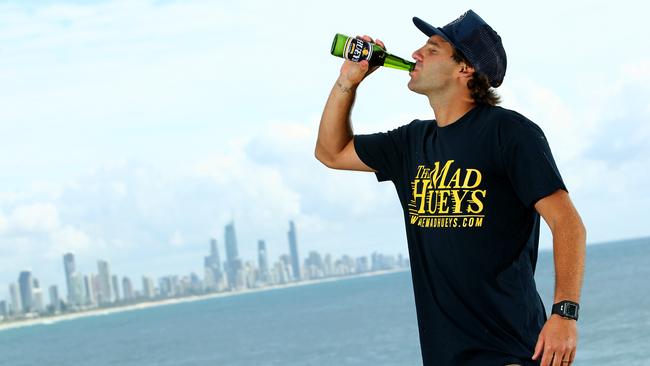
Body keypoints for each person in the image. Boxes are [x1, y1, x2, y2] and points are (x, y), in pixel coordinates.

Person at [315, 9, 586, 366]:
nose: (415, 55)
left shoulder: (510, 133)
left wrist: (564, 316)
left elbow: (568, 224)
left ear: (465, 68)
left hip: (511, 352)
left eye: (432, 49)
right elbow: (330, 152)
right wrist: (348, 81)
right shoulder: (411, 142)